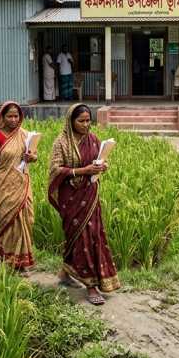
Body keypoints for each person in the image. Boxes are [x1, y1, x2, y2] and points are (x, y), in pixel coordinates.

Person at [48, 103, 121, 305]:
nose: (86, 125)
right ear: (71, 121)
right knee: (78, 237)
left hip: (90, 195)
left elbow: (99, 161)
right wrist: (81, 171)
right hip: (71, 197)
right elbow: (55, 169)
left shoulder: (94, 140)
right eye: (81, 121)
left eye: (89, 120)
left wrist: (102, 166)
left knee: (92, 236)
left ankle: (68, 275)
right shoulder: (61, 143)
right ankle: (90, 285)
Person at [0, 101, 38, 271]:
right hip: (3, 184)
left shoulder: (25, 135)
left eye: (16, 116)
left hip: (22, 183)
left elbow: (34, 155)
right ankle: (9, 260)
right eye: (10, 116)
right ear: (2, 117)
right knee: (8, 220)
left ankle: (22, 262)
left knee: (26, 219)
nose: (14, 120)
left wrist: (32, 157)